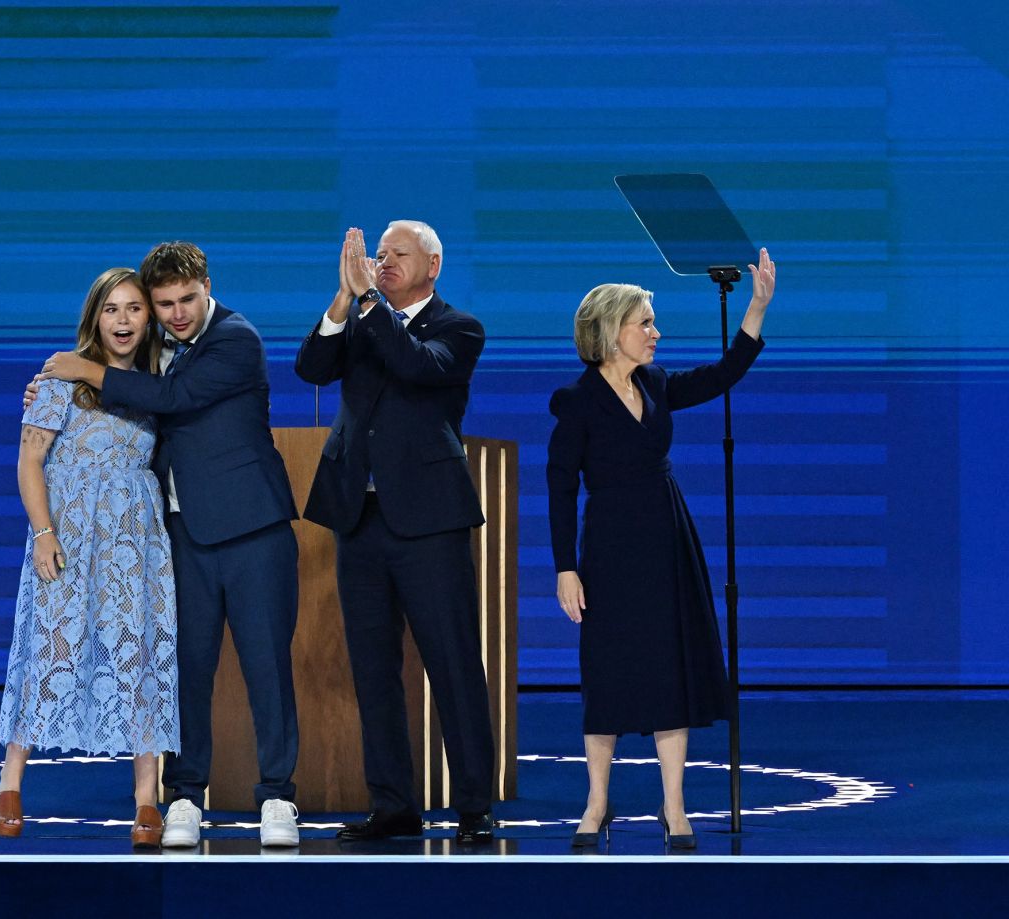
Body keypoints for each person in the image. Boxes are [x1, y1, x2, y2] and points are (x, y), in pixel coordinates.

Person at [34, 241, 302, 848]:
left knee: (267, 667)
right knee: (184, 670)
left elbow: (175, 401)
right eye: (164, 304)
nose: (178, 313)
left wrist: (87, 370)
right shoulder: (153, 355)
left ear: (207, 285)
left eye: (187, 299)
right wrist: (52, 392)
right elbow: (126, 403)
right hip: (180, 535)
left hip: (253, 530)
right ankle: (185, 794)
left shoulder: (236, 339)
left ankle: (278, 796)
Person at [547, 249, 777, 849]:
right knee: (609, 672)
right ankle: (597, 804)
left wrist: (754, 308)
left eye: (653, 322)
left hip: (666, 537)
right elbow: (560, 488)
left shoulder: (654, 383)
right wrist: (565, 568)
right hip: (610, 546)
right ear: (609, 331)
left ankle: (674, 808)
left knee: (669, 669)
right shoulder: (576, 401)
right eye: (644, 322)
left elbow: (722, 374)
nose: (655, 332)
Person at [294, 222, 496, 844]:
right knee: (372, 669)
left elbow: (414, 368)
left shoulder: (458, 328)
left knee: (453, 663)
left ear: (433, 264)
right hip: (362, 519)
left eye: (397, 254)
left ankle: (473, 807)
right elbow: (311, 368)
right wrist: (341, 300)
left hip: (430, 522)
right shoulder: (360, 320)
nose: (383, 263)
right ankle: (394, 805)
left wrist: (370, 304)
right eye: (378, 255)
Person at [0, 267, 179, 850]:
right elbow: (30, 462)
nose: (123, 321)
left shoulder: (157, 385)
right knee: (50, 645)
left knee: (139, 651)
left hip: (134, 541)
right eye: (112, 310)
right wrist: (44, 531)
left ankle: (146, 799)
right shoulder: (57, 382)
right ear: (94, 317)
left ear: (148, 318)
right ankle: (10, 783)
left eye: (133, 309)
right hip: (67, 536)